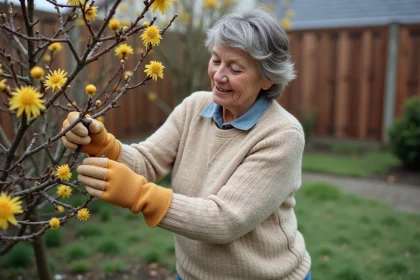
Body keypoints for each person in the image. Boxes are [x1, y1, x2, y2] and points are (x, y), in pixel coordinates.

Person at [62, 7, 311, 280]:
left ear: (268, 79)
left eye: (235, 68)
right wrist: (105, 146)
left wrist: (140, 195)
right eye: (216, 60)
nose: (218, 75)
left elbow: (224, 221)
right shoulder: (195, 107)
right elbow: (146, 161)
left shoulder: (282, 135)